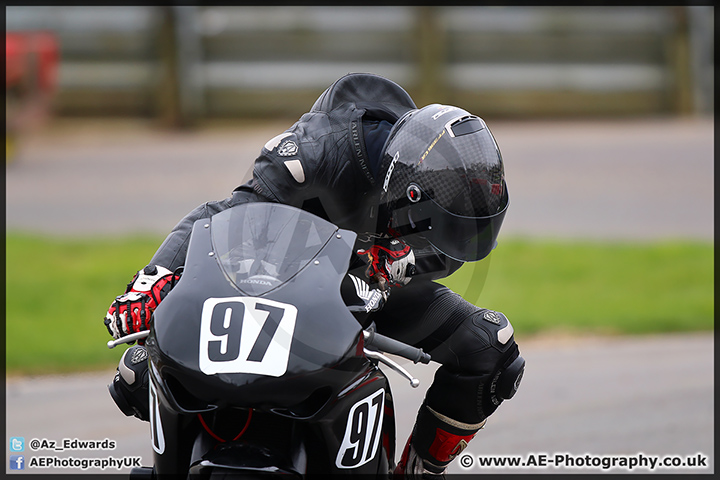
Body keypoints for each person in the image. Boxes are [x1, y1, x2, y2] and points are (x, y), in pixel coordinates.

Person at [104, 72, 525, 479]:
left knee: (490, 349)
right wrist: (152, 280)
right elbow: (225, 215)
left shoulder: (449, 211)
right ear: (408, 193)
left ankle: (417, 470)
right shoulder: (318, 150)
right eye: (441, 233)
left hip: (366, 289)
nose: (445, 251)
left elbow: (433, 263)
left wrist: (385, 270)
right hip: (270, 281)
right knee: (139, 375)